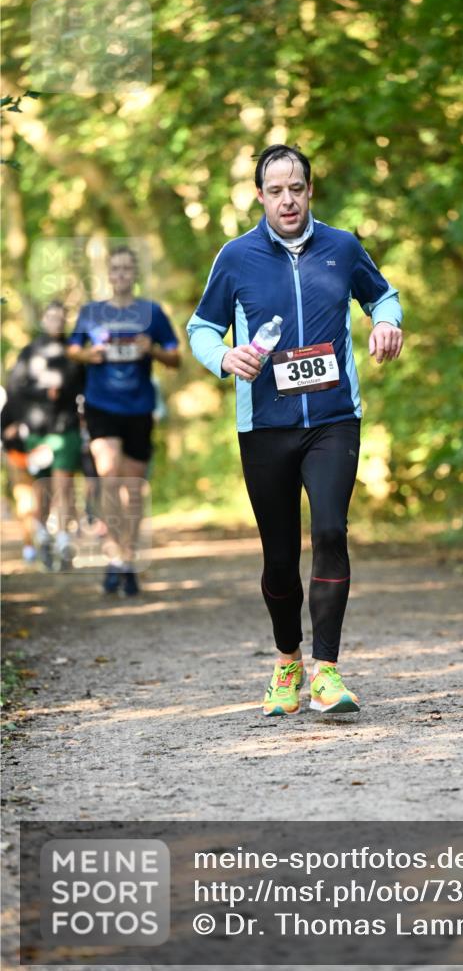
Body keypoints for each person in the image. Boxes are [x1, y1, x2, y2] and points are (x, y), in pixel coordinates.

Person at [188, 144, 403, 717]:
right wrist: (224, 358)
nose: (288, 199)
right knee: (279, 556)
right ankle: (289, 660)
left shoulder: (341, 247)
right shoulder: (235, 257)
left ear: (311, 191)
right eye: (276, 190)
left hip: (333, 419)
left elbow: (382, 295)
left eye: (297, 188)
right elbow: (201, 327)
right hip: (266, 427)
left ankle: (327, 673)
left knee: (331, 531)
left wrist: (386, 323)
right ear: (260, 196)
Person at [68, 246, 180, 595]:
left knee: (132, 488)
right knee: (108, 472)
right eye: (114, 269)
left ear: (134, 274)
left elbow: (176, 357)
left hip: (139, 407)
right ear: (108, 274)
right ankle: (113, 552)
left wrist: (154, 350)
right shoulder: (91, 313)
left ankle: (127, 557)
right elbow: (72, 350)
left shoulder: (152, 312)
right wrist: (91, 354)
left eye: (126, 269)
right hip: (102, 405)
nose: (120, 275)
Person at [2, 301, 84, 568]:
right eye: (51, 317)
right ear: (43, 320)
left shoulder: (74, 351)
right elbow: (14, 390)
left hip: (66, 427)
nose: (56, 322)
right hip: (37, 432)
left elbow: (86, 387)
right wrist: (8, 425)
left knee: (64, 485)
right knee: (42, 492)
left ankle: (62, 539)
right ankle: (41, 535)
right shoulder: (29, 353)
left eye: (61, 317)